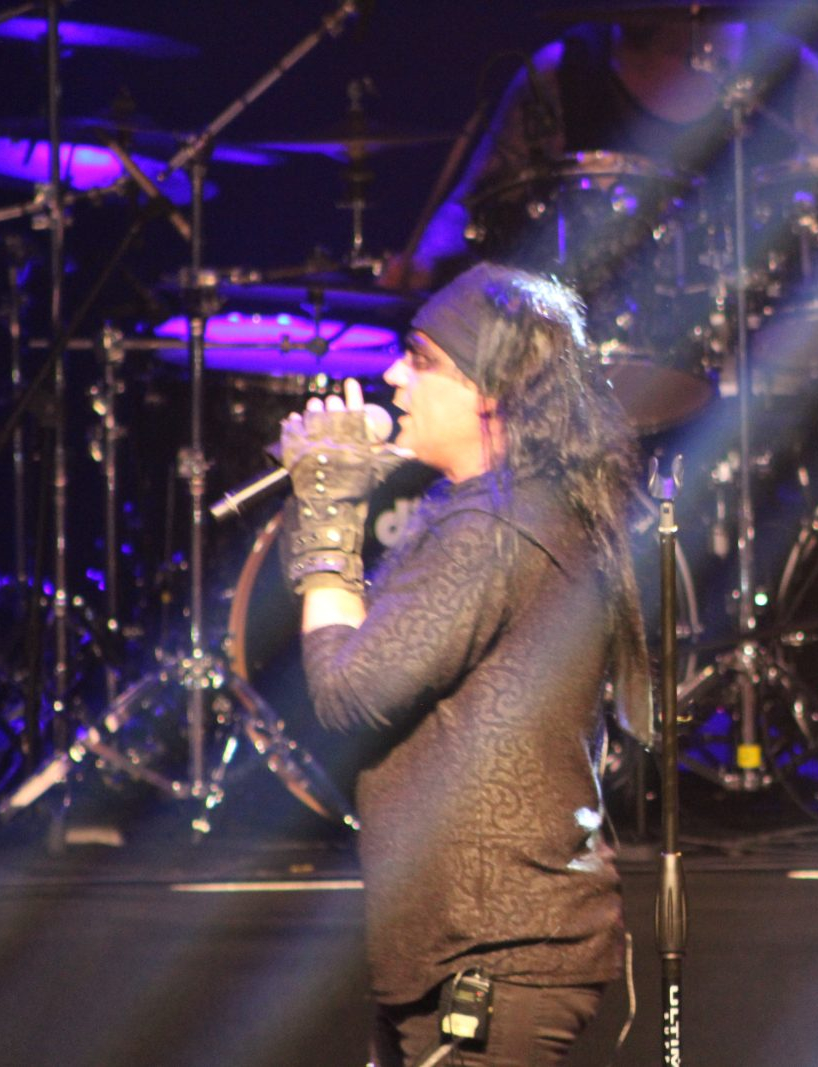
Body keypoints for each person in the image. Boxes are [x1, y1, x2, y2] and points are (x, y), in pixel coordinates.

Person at [281, 263, 651, 1066]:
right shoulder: (495, 511)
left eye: (421, 358)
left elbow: (347, 691)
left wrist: (328, 517)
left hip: (495, 953)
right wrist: (326, 514)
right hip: (472, 946)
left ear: (492, 388)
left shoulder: (492, 529)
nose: (392, 375)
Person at [396, 16, 818, 287]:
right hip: (592, 346)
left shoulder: (790, 70)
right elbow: (474, 203)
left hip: (759, 344)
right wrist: (422, 263)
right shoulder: (565, 70)